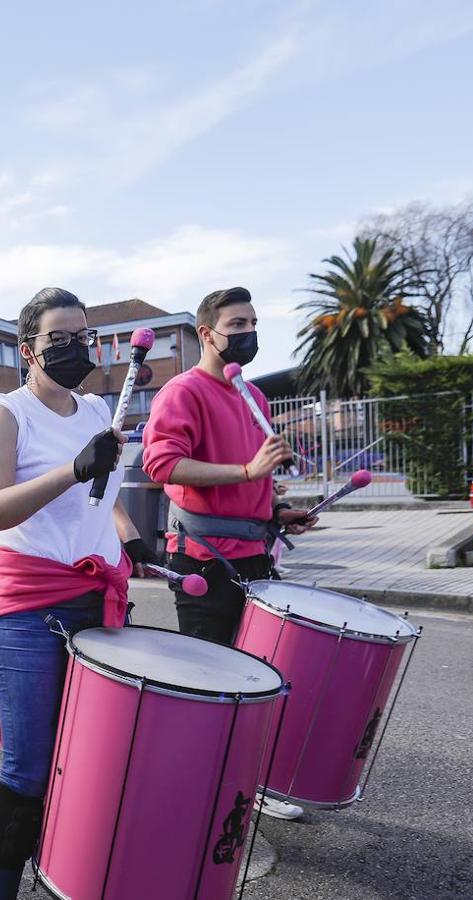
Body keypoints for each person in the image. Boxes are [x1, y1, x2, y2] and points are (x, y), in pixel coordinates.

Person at [0, 288, 154, 899]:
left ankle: (66, 873)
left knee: (88, 761)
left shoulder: (99, 411)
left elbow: (102, 497)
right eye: (61, 339)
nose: (77, 348)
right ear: (28, 350)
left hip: (96, 597)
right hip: (30, 608)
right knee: (27, 765)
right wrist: (70, 469)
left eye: (84, 337)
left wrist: (130, 540)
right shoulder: (5, 412)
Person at [141, 286, 317, 821]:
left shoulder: (254, 397)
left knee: (255, 675)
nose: (247, 333)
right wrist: (246, 472)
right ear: (206, 333)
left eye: (253, 323)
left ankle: (243, 783)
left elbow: (253, 482)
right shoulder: (181, 392)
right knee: (207, 680)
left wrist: (274, 513)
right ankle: (194, 791)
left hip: (255, 556)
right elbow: (161, 466)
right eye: (236, 324)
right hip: (203, 559)